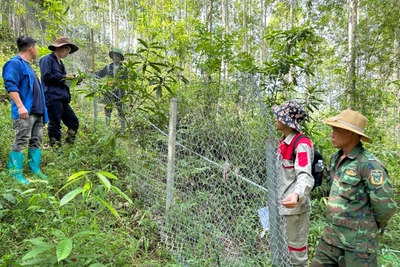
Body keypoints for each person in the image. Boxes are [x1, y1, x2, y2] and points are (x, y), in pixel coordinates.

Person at [311, 109, 397, 267]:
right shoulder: (335, 158)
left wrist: (366, 228)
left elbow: (385, 208)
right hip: (330, 239)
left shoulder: (370, 165)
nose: (332, 134)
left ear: (352, 134)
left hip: (357, 246)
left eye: (337, 130)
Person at [2, 36, 49, 184]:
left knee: (36, 140)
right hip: (25, 111)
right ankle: (15, 173)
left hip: (37, 112)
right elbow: (10, 85)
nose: (37, 51)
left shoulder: (28, 66)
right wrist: (20, 106)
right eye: (36, 47)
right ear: (31, 48)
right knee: (21, 140)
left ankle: (34, 169)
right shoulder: (14, 63)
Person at [273, 100, 314, 267]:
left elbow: (304, 173)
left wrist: (297, 194)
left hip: (294, 210)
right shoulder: (283, 142)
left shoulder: (301, 144)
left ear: (289, 121)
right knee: (283, 250)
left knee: (296, 256)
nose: (276, 118)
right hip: (282, 206)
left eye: (280, 115)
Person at [39, 37, 79, 152]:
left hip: (62, 98)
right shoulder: (47, 59)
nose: (67, 52)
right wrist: (65, 77)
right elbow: (46, 77)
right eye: (66, 49)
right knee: (55, 124)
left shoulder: (60, 64)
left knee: (74, 122)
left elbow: (62, 81)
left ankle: (69, 146)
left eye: (69, 50)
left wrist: (75, 80)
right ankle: (57, 149)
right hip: (52, 97)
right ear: (59, 48)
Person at [90, 48, 127, 130]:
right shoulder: (108, 67)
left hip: (120, 92)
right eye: (114, 56)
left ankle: (123, 128)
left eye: (117, 56)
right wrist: (91, 73)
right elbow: (99, 75)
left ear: (120, 58)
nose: (115, 58)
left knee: (121, 110)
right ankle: (107, 127)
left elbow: (126, 82)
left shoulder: (124, 69)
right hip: (109, 92)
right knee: (108, 109)